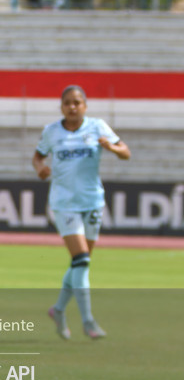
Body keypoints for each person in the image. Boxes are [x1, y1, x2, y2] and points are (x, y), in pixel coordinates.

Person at [33, 85, 130, 340]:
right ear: (61, 107)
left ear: (85, 106)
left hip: (93, 202)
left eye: (77, 102)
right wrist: (40, 168)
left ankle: (58, 310)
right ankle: (88, 322)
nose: (72, 107)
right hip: (64, 203)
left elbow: (126, 153)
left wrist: (111, 148)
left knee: (80, 264)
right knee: (82, 260)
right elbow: (37, 157)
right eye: (67, 103)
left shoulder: (98, 126)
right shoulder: (52, 131)